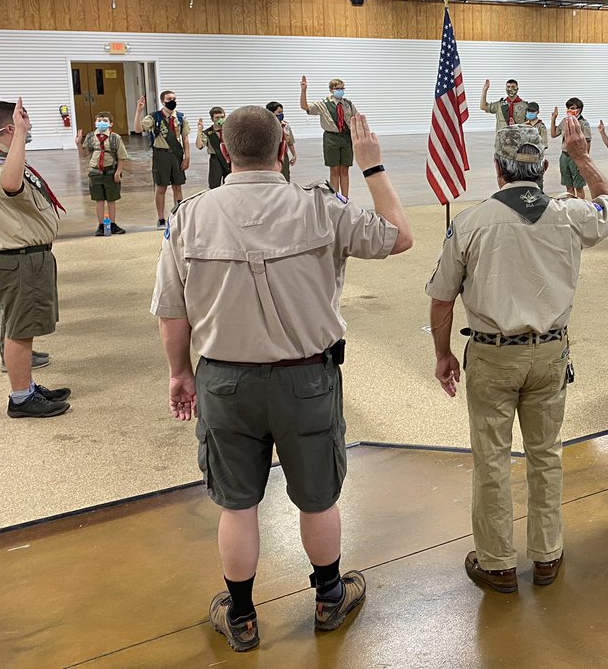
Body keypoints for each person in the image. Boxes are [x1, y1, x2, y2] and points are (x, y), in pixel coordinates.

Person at [151, 105, 413, 652]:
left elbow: (172, 312)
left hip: (224, 382)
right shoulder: (320, 209)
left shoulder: (189, 216)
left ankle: (243, 617)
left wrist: (180, 373)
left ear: (224, 153)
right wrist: (371, 167)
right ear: (284, 149)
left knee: (238, 503)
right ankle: (328, 598)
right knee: (317, 499)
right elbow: (399, 236)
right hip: (306, 381)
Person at [426, 121, 608, 594]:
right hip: (550, 352)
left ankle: (496, 563)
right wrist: (585, 156)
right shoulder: (571, 213)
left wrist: (442, 354)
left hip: (492, 356)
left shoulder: (470, 222)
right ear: (547, 166)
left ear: (497, 169)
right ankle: (547, 554)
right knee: (546, 454)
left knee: (491, 457)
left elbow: (442, 298)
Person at [0, 100, 70, 418]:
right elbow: (12, 184)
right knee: (19, 329)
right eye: (23, 123)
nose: (29, 128)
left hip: (24, 257)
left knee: (23, 326)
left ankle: (26, 385)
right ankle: (20, 397)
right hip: (17, 260)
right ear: (10, 129)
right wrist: (19, 136)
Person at [134, 90, 190, 228]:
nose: (172, 101)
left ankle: (178, 216)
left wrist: (187, 157)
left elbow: (185, 138)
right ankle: (161, 219)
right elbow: (137, 130)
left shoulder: (181, 118)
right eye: (169, 98)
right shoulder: (155, 117)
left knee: (178, 186)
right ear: (162, 101)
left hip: (176, 154)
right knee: (161, 187)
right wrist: (139, 111)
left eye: (174, 98)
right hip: (161, 155)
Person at [300, 75, 356, 199]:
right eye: (337, 88)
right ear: (331, 90)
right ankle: (335, 198)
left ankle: (345, 198)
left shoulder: (348, 104)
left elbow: (355, 119)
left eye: (342, 88)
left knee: (345, 170)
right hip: (331, 138)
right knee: (334, 170)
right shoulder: (324, 104)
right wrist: (304, 90)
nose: (340, 90)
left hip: (346, 138)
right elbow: (305, 107)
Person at [76, 112, 128, 236]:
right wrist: (78, 143)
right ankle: (101, 225)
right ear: (95, 123)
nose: (101, 122)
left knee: (111, 200)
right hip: (95, 172)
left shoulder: (115, 138)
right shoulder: (90, 137)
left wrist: (118, 172)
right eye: (99, 120)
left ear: (110, 123)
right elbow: (83, 155)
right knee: (99, 200)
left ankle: (113, 224)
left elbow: (122, 157)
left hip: (110, 171)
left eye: (104, 120)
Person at [550, 98, 592, 198]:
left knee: (578, 186)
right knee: (568, 186)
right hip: (565, 156)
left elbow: (587, 142)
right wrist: (553, 119)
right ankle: (571, 206)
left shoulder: (583, 124)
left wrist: (584, 160)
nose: (570, 110)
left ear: (579, 110)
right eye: (569, 108)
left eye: (573, 108)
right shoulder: (565, 121)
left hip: (577, 157)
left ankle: (581, 208)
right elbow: (553, 134)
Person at [196, 107, 232, 190]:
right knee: (214, 185)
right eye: (217, 118)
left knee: (230, 184)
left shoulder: (229, 130)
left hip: (229, 158)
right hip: (215, 159)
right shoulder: (208, 133)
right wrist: (199, 131)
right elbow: (199, 146)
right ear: (212, 119)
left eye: (222, 117)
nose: (220, 119)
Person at [265, 101, 297, 182]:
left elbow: (290, 141)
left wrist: (294, 155)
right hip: (269, 155)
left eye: (282, 112)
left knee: (285, 177)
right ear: (271, 113)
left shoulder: (285, 126)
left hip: (283, 155)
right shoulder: (264, 126)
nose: (281, 114)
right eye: (279, 112)